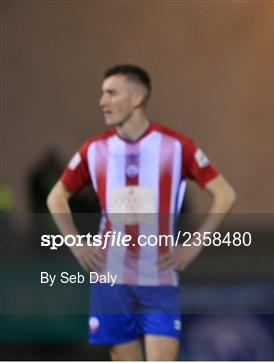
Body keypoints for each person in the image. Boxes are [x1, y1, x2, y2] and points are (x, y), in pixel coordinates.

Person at [47, 64, 236, 360]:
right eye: (102, 94)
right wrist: (76, 243)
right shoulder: (94, 149)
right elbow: (56, 197)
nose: (102, 102)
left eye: (111, 93)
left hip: (158, 278)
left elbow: (225, 194)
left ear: (137, 98)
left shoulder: (176, 146)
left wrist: (194, 245)